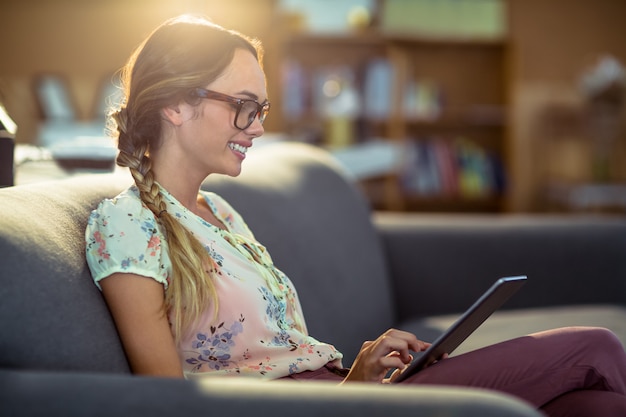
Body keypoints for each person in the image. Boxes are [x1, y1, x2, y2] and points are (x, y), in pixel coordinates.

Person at [85, 15, 626, 416]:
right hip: (331, 408)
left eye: (262, 110)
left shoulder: (220, 211)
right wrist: (351, 396)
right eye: (244, 107)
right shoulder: (127, 225)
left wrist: (362, 373)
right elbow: (165, 401)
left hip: (342, 394)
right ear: (177, 104)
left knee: (592, 406)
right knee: (597, 346)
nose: (256, 127)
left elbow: (279, 354)